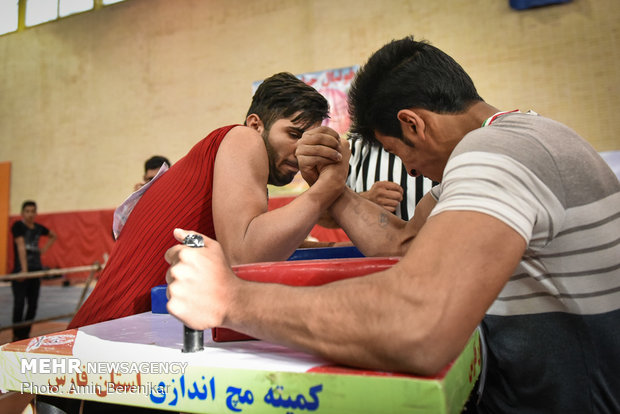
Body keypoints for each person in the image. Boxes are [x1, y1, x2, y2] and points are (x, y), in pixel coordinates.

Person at [163, 36, 620, 413]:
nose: (415, 173)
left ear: (413, 124)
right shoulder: (517, 139)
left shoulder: (496, 154)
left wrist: (229, 297)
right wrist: (334, 186)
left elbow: (417, 323)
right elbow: (403, 243)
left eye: (402, 156)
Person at [68, 72, 348, 329]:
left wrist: (351, 218)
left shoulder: (241, 178)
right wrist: (327, 188)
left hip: (126, 330)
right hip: (112, 330)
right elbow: (244, 256)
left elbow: (280, 242)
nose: (301, 150)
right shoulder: (243, 139)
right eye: (294, 134)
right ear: (255, 124)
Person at [347, 133, 435, 220]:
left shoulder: (440, 145)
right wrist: (364, 200)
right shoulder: (354, 148)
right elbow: (333, 217)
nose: (411, 171)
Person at [11, 200, 57, 340]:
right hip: (21, 272)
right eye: (27, 211)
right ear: (22, 213)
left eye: (33, 211)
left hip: (35, 271)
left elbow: (53, 236)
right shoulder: (18, 226)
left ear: (36, 213)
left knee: (32, 305)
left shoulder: (38, 228)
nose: (30, 214)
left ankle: (25, 334)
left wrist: (43, 249)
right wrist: (24, 270)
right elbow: (20, 247)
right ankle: (16, 335)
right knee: (19, 304)